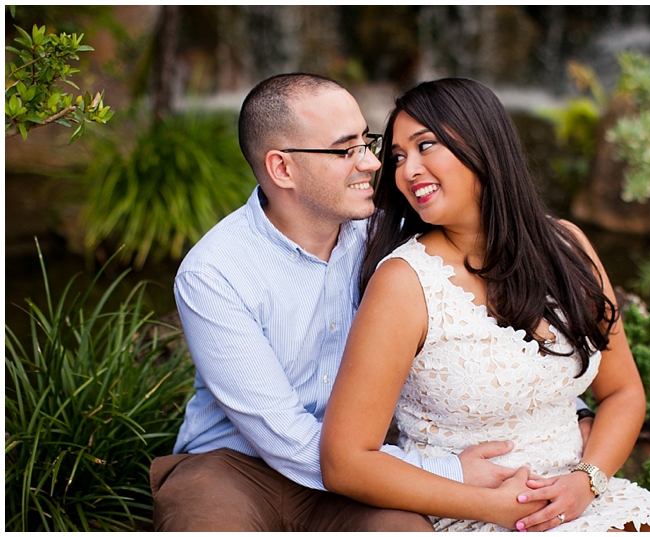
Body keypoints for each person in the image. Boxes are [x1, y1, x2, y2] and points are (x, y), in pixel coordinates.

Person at [150, 73, 593, 532]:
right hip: (234, 466)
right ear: (282, 169)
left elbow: (485, 313)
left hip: (370, 463)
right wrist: (450, 472)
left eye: (368, 141)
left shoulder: (391, 233)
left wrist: (557, 403)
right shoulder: (214, 272)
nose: (373, 163)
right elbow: (286, 440)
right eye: (347, 150)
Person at [319, 78, 650, 532]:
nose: (406, 170)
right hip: (475, 513)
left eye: (426, 146)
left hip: (584, 497)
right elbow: (346, 461)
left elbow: (623, 393)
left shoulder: (567, 244)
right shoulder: (404, 282)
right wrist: (492, 508)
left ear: (484, 143)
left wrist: (589, 480)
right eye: (400, 156)